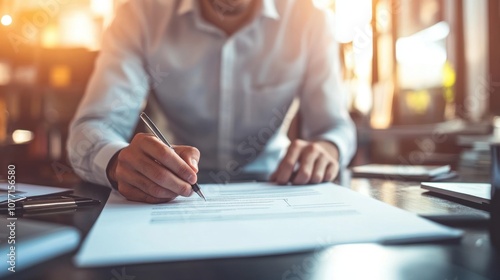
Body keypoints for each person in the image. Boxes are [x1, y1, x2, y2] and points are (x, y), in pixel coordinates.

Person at [67, 0, 357, 203]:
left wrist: (328, 149)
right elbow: (95, 125)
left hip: (276, 184)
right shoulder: (141, 14)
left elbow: (335, 127)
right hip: (171, 190)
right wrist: (117, 161)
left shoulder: (309, 20)